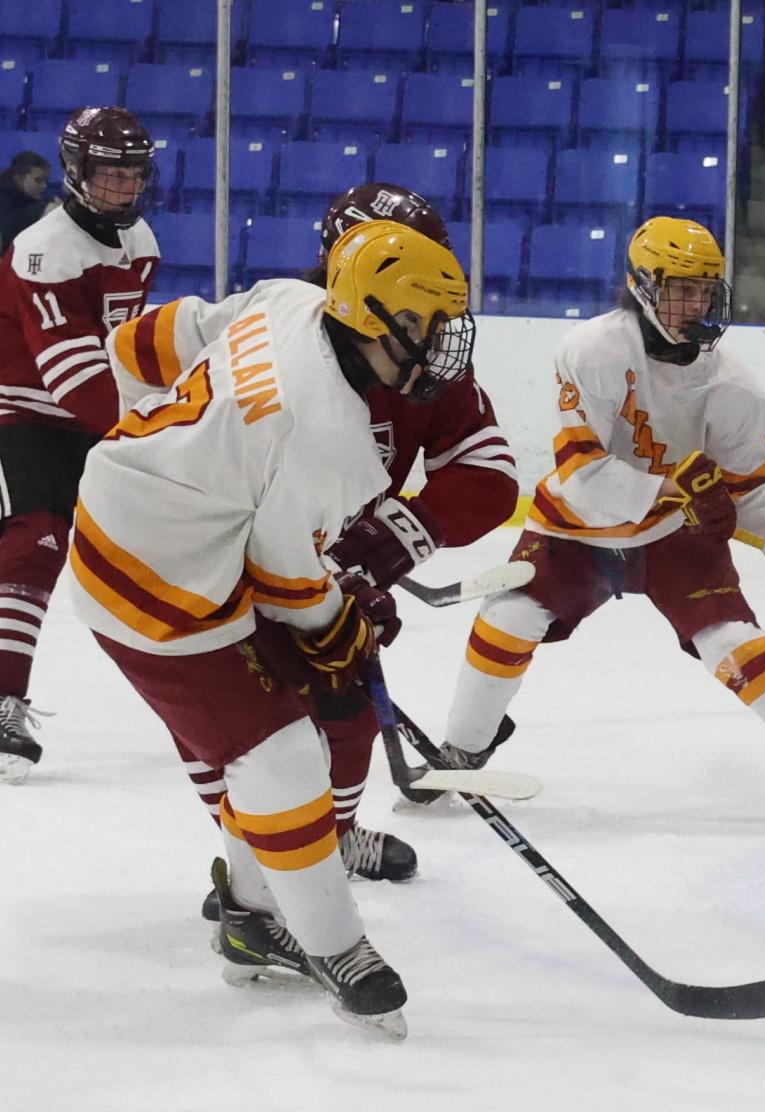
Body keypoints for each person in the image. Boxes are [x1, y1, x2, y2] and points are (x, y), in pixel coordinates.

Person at [69, 218, 477, 1037]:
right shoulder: (326, 435)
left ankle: (253, 919)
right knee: (281, 752)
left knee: (290, 740)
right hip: (155, 581)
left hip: (166, 536)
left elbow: (143, 343)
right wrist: (340, 624)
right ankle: (334, 947)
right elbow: (289, 585)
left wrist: (157, 457)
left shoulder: (290, 301)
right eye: (428, 326)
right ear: (376, 318)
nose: (441, 347)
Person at [110, 182, 519, 890]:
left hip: (316, 567)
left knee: (346, 712)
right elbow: (132, 348)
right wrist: (145, 447)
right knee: (241, 735)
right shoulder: (278, 318)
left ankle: (326, 845)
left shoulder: (419, 350)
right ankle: (262, 880)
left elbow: (490, 476)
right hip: (218, 560)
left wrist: (386, 543)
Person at [434, 216, 765, 833]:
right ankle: (463, 749)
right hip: (576, 530)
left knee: (728, 639)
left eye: (705, 290)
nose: (696, 304)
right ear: (641, 286)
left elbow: (747, 491)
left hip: (674, 535)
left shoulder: (735, 386)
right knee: (508, 618)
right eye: (681, 289)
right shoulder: (592, 351)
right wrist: (675, 488)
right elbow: (583, 474)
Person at [0, 107, 159, 779]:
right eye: (108, 173)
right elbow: (76, 380)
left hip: (85, 418)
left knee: (173, 538)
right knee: (37, 540)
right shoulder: (45, 249)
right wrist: (167, 428)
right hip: (18, 410)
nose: (123, 186)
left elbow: (124, 353)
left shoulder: (141, 240)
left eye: (132, 174)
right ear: (75, 172)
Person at [0, 151, 53, 255]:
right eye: (38, 180)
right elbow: (12, 227)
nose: (44, 186)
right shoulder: (5, 201)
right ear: (19, 179)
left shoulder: (27, 198)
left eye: (46, 181)